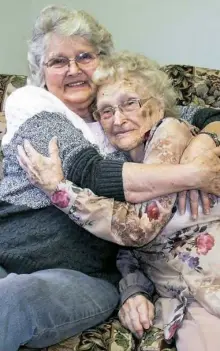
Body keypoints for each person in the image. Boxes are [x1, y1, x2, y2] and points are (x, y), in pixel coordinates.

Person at [1, 5, 220, 350]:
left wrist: (208, 140)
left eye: (84, 56)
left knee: (13, 299)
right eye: (58, 61)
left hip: (81, 277)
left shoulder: (128, 113)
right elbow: (93, 174)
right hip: (7, 255)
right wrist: (193, 174)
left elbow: (207, 113)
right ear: (40, 72)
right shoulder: (34, 105)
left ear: (101, 62)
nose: (73, 69)